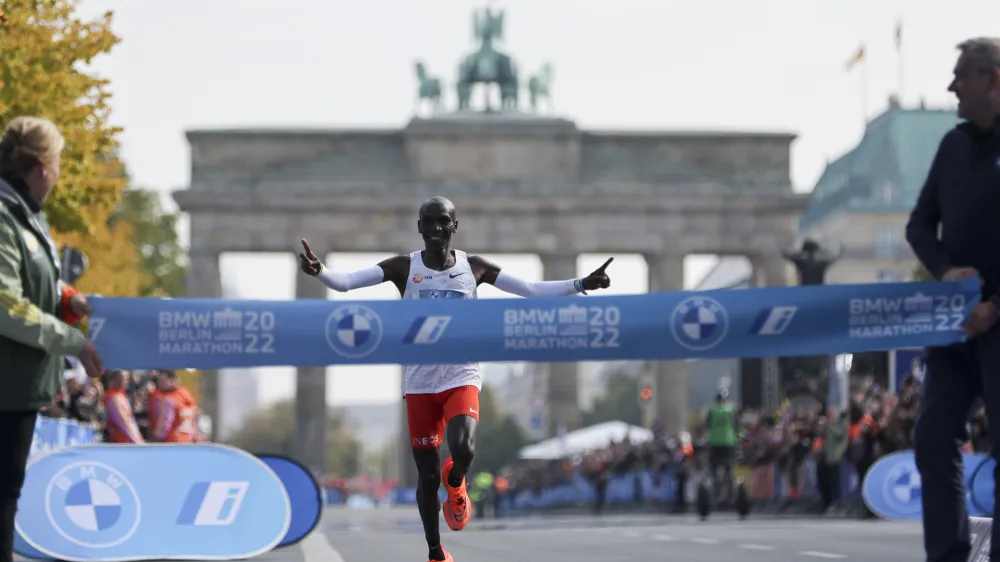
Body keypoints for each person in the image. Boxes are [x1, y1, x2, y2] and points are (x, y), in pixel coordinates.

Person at [300, 196, 612, 562]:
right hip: (419, 380)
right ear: (418, 227)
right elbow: (348, 282)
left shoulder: (473, 267)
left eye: (442, 221)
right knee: (427, 476)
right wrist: (321, 272)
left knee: (463, 447)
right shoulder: (404, 267)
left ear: (454, 226)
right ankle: (435, 551)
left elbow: (528, 288)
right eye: (427, 222)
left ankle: (457, 479)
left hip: (461, 372)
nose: (434, 228)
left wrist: (580, 283)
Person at [906, 37, 1000, 562]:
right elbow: (919, 223)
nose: (950, 87)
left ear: (993, 79)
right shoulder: (954, 145)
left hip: (998, 317)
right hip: (958, 322)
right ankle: (948, 555)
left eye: (960, 76)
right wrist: (942, 266)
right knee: (933, 434)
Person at [0, 116, 103, 562]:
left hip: (17, 385)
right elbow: (6, 303)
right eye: (58, 162)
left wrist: (68, 300)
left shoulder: (25, 217)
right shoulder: (6, 215)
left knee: (5, 501)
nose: (59, 172)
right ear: (43, 166)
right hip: (5, 385)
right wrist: (73, 341)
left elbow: (32, 286)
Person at [705, 389, 737, 501]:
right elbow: (736, 426)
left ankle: (716, 491)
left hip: (715, 443)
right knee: (728, 468)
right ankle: (731, 492)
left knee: (714, 468)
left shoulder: (712, 410)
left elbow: (707, 426)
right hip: (728, 442)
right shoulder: (730, 410)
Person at [150, 370, 199, 443]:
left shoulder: (167, 399)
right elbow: (195, 414)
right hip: (188, 440)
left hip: (172, 442)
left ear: (173, 380)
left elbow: (165, 423)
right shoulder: (186, 393)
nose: (159, 384)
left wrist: (156, 438)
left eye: (162, 381)